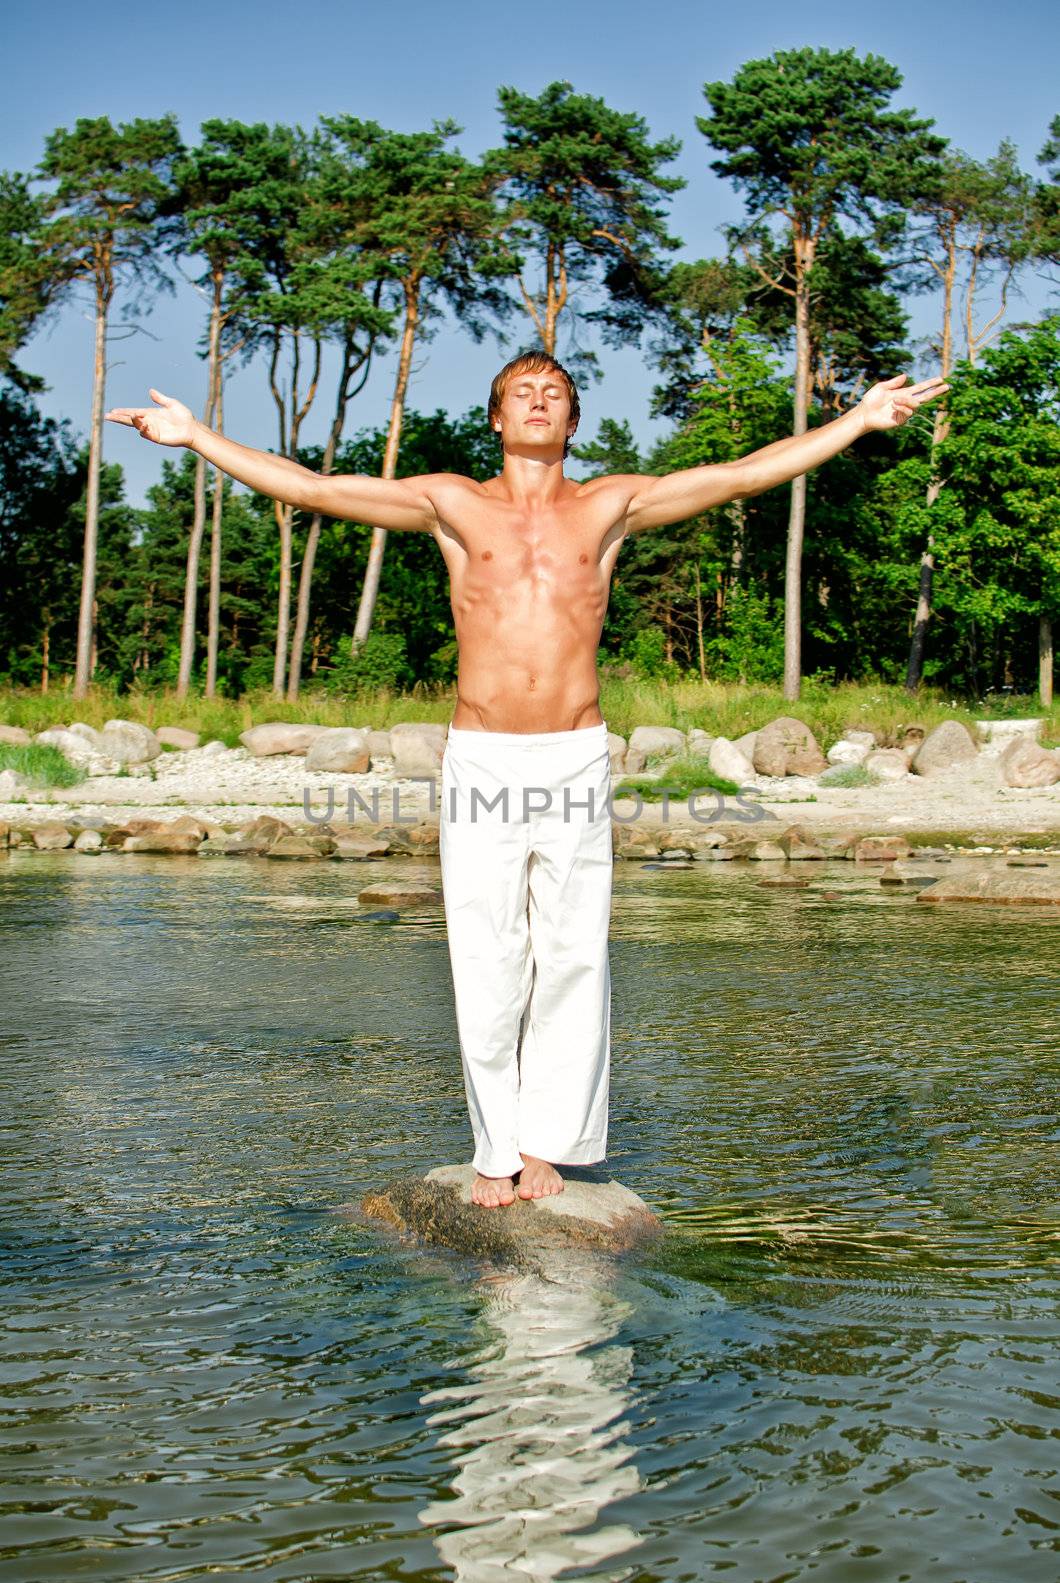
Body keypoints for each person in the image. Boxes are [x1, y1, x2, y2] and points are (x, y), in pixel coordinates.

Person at [107, 351, 947, 1208]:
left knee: (574, 954)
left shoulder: (610, 505)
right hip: (484, 756)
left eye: (555, 395)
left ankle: (553, 1144)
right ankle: (494, 1148)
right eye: (523, 393)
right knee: (488, 951)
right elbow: (314, 488)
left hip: (576, 755)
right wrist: (197, 436)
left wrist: (857, 421)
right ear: (498, 419)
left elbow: (738, 477)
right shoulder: (452, 502)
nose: (539, 402)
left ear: (572, 423)